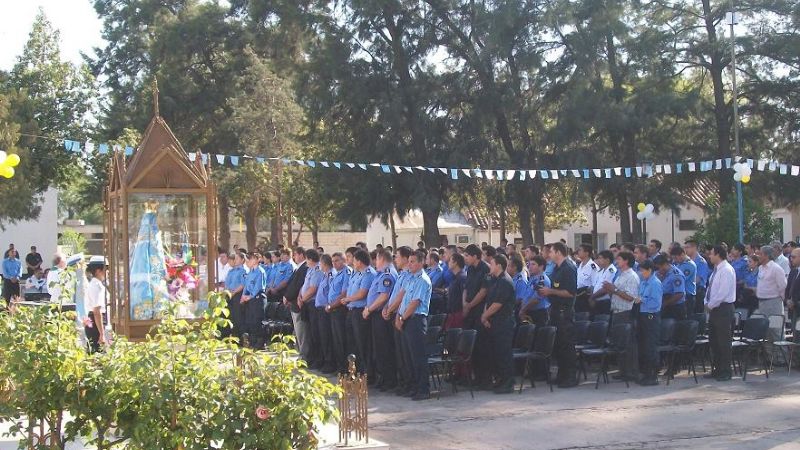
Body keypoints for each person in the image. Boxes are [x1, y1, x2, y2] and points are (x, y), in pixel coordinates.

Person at [537, 242, 578, 388]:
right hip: (555, 310)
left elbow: (570, 292)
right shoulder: (556, 268)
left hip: (564, 312)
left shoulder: (568, 268)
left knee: (567, 345)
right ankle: (562, 375)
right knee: (559, 346)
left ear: (559, 252)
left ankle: (570, 377)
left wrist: (550, 292)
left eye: (552, 252)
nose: (549, 254)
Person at [394, 250, 432, 400]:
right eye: (409, 261)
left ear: (421, 263)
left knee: (418, 357)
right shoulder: (410, 279)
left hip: (415, 320)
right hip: (406, 319)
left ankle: (423, 389)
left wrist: (402, 318)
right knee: (408, 357)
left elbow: (415, 303)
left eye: (413, 261)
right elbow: (403, 300)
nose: (409, 264)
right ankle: (414, 386)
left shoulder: (422, 279)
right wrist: (398, 316)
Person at [479, 254, 516, 394]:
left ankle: (508, 382)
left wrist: (484, 316)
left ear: (499, 265)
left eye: (492, 263)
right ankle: (500, 379)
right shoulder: (494, 281)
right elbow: (489, 301)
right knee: (496, 354)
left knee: (504, 353)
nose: (490, 266)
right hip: (493, 322)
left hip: (503, 322)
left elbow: (498, 304)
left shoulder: (505, 281)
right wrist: (486, 316)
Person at [602, 251, 640, 381]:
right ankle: (623, 370)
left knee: (628, 343)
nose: (616, 261)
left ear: (626, 261)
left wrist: (614, 290)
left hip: (626, 313)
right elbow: (616, 292)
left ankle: (631, 372)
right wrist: (610, 290)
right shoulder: (620, 275)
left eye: (619, 259)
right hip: (617, 311)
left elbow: (631, 297)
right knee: (619, 343)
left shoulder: (632, 276)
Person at [364, 249, 397, 391]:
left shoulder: (387, 274)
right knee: (379, 349)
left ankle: (388, 379)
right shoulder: (381, 274)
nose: (374, 262)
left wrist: (370, 309)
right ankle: (383, 377)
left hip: (382, 316)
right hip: (376, 315)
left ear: (382, 259)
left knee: (384, 349)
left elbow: (384, 296)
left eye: (376, 259)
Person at [383, 246, 414, 395]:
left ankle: (409, 383)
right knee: (399, 353)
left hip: (403, 317)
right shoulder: (402, 274)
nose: (395, 259)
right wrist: (387, 307)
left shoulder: (409, 275)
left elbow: (402, 297)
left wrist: (390, 310)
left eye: (397, 256)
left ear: (405, 258)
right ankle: (403, 383)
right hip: (395, 314)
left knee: (405, 353)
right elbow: (394, 295)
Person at [704, 245, 736, 381]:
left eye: (711, 254)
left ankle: (726, 371)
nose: (710, 256)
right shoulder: (716, 270)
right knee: (714, 341)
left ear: (718, 254)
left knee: (724, 342)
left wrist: (710, 305)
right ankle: (717, 369)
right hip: (714, 309)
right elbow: (710, 289)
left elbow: (722, 293)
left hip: (723, 308)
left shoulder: (727, 270)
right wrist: (706, 301)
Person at [342, 249, 376, 378]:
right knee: (352, 343)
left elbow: (362, 293)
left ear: (360, 262)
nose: (353, 262)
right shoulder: (356, 273)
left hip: (360, 311)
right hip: (351, 311)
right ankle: (355, 371)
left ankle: (367, 373)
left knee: (363, 344)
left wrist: (348, 299)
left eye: (354, 260)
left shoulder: (368, 274)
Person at [634, 260, 662, 386]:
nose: (641, 273)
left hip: (651, 316)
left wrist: (642, 300)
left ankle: (652, 375)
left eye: (643, 271)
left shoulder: (655, 283)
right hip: (642, 315)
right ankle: (645, 373)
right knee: (643, 345)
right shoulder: (644, 282)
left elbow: (656, 303)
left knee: (650, 345)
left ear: (649, 270)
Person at [755, 245, 787, 345]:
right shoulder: (760, 268)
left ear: (766, 255)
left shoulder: (776, 268)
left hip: (774, 303)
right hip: (762, 303)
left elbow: (782, 285)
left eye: (760, 254)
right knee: (766, 332)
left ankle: (781, 359)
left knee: (776, 331)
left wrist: (779, 298)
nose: (758, 256)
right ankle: (770, 358)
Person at [326, 252, 352, 374]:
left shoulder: (347, 273)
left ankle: (346, 368)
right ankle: (340, 366)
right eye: (333, 261)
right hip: (333, 310)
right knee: (336, 340)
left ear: (344, 260)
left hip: (341, 309)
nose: (334, 263)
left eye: (337, 260)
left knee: (342, 340)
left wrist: (332, 305)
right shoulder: (337, 274)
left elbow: (344, 293)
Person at [298, 249, 324, 367]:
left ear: (310, 259)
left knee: (315, 333)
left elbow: (313, 289)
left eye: (306, 259)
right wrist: (299, 296)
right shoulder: (310, 270)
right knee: (309, 332)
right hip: (306, 303)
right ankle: (311, 358)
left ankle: (317, 359)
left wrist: (303, 299)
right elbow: (304, 285)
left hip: (312, 304)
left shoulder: (318, 270)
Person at [283, 247, 309, 354]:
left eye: (296, 254)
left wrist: (288, 296)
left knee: (301, 332)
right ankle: (300, 353)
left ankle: (304, 355)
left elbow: (297, 285)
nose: (294, 257)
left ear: (302, 255)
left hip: (298, 303)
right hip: (293, 303)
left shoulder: (304, 267)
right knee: (298, 331)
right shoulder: (299, 267)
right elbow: (291, 283)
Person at [314, 254, 337, 374]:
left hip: (326, 310)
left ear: (325, 263)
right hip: (320, 310)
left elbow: (331, 293)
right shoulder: (325, 275)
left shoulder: (332, 274)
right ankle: (324, 359)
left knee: (327, 337)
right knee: (322, 336)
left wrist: (329, 305)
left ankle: (330, 361)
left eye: (321, 263)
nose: (320, 266)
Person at [241, 252, 267, 348]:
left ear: (256, 260)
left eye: (250, 259)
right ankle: (252, 342)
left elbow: (258, 287)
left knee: (257, 321)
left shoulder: (260, 271)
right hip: (250, 299)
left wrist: (250, 296)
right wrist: (243, 296)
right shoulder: (250, 272)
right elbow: (247, 286)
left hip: (257, 298)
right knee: (250, 321)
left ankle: (259, 344)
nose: (248, 261)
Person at [84, 259, 109, 353]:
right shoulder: (96, 286)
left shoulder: (97, 284)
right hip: (95, 322)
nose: (107, 272)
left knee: (96, 353)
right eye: (105, 269)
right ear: (98, 271)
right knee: (97, 353)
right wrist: (101, 334)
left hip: (96, 321)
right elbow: (96, 311)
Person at [520, 255, 551, 328]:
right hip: (529, 311)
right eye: (529, 264)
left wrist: (523, 310)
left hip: (538, 313)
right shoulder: (532, 278)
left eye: (533, 264)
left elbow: (536, 299)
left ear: (541, 266)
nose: (530, 267)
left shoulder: (542, 280)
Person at [654, 255, 687, 321]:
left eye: (659, 268)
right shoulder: (661, 273)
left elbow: (679, 294)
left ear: (665, 264)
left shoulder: (676, 275)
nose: (658, 271)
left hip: (675, 307)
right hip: (665, 305)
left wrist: (664, 304)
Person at [223, 251, 247, 339]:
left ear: (242, 260)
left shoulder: (243, 271)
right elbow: (227, 283)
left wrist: (234, 292)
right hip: (229, 295)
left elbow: (243, 284)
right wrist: (227, 292)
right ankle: (229, 336)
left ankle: (238, 337)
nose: (235, 260)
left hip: (237, 295)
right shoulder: (231, 271)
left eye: (237, 258)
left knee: (237, 317)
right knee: (229, 316)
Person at [671, 246, 697, 315]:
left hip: (688, 296)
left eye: (676, 258)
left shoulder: (689, 265)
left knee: (687, 318)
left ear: (682, 254)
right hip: (681, 295)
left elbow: (681, 279)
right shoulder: (678, 264)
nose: (675, 260)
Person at [589, 250, 616, 317]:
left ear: (607, 260)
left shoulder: (611, 270)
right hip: (597, 300)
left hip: (605, 301)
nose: (598, 260)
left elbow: (606, 288)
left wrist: (592, 297)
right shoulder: (601, 270)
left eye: (600, 258)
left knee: (603, 321)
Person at [445, 252, 467, 329]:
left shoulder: (462, 277)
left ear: (455, 263)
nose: (448, 263)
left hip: (458, 313)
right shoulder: (455, 277)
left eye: (450, 261)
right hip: (452, 313)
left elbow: (465, 295)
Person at [575, 244, 598, 314]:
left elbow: (594, 284)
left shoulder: (592, 267)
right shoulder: (580, 265)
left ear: (587, 253)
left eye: (580, 250)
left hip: (586, 297)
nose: (577, 252)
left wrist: (591, 298)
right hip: (577, 295)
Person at [506, 255, 529, 323]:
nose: (506, 268)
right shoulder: (512, 278)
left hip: (516, 311)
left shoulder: (521, 281)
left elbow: (520, 299)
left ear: (515, 267)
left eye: (508, 266)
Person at [786, 248, 800, 338]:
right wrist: (787, 300)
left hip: (798, 307)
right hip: (794, 311)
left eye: (794, 257)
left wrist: (795, 302)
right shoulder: (794, 271)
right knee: (796, 338)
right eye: (790, 257)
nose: (791, 259)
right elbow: (787, 289)